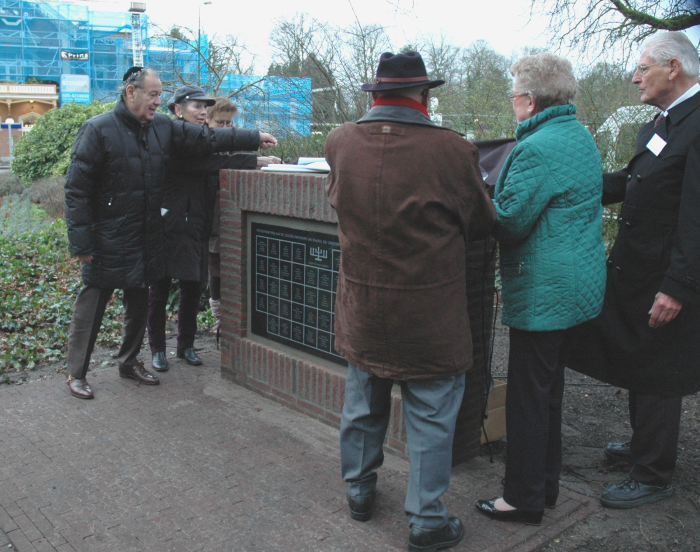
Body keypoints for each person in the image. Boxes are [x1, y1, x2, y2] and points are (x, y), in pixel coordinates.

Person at [325, 51, 495, 552]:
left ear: (374, 95)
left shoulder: (340, 142)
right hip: (430, 315)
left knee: (361, 404)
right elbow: (482, 222)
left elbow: (336, 200)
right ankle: (426, 520)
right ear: (423, 95)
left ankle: (359, 492)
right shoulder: (452, 150)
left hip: (363, 309)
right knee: (432, 417)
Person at [64, 68, 277, 399]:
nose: (157, 101)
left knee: (137, 303)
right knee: (92, 305)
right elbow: (76, 190)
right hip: (106, 237)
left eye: (160, 94)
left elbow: (205, 140)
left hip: (144, 234)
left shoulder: (162, 128)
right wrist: (81, 243)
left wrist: (253, 138)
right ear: (130, 92)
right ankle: (76, 372)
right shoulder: (98, 130)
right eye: (152, 94)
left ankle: (129, 361)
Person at [567, 31, 700, 509]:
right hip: (640, 270)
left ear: (674, 69)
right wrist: (575, 185)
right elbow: (635, 180)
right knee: (643, 361)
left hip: (669, 277)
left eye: (643, 67)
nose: (634, 76)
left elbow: (696, 215)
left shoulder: (698, 123)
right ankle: (646, 446)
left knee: (661, 368)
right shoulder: (666, 122)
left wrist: (678, 287)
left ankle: (653, 472)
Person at [474, 52, 606, 525]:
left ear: (529, 101)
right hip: (579, 286)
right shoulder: (579, 136)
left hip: (546, 290)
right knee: (548, 390)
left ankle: (523, 499)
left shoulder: (535, 149)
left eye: (513, 95)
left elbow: (508, 223)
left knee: (528, 396)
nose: (511, 103)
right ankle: (544, 488)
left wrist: (476, 198)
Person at [205, 97, 281, 336]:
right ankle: (219, 319)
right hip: (211, 215)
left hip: (234, 214)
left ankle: (236, 316)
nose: (227, 127)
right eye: (221, 122)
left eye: (230, 123)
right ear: (206, 120)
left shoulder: (236, 141)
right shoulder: (200, 141)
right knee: (215, 268)